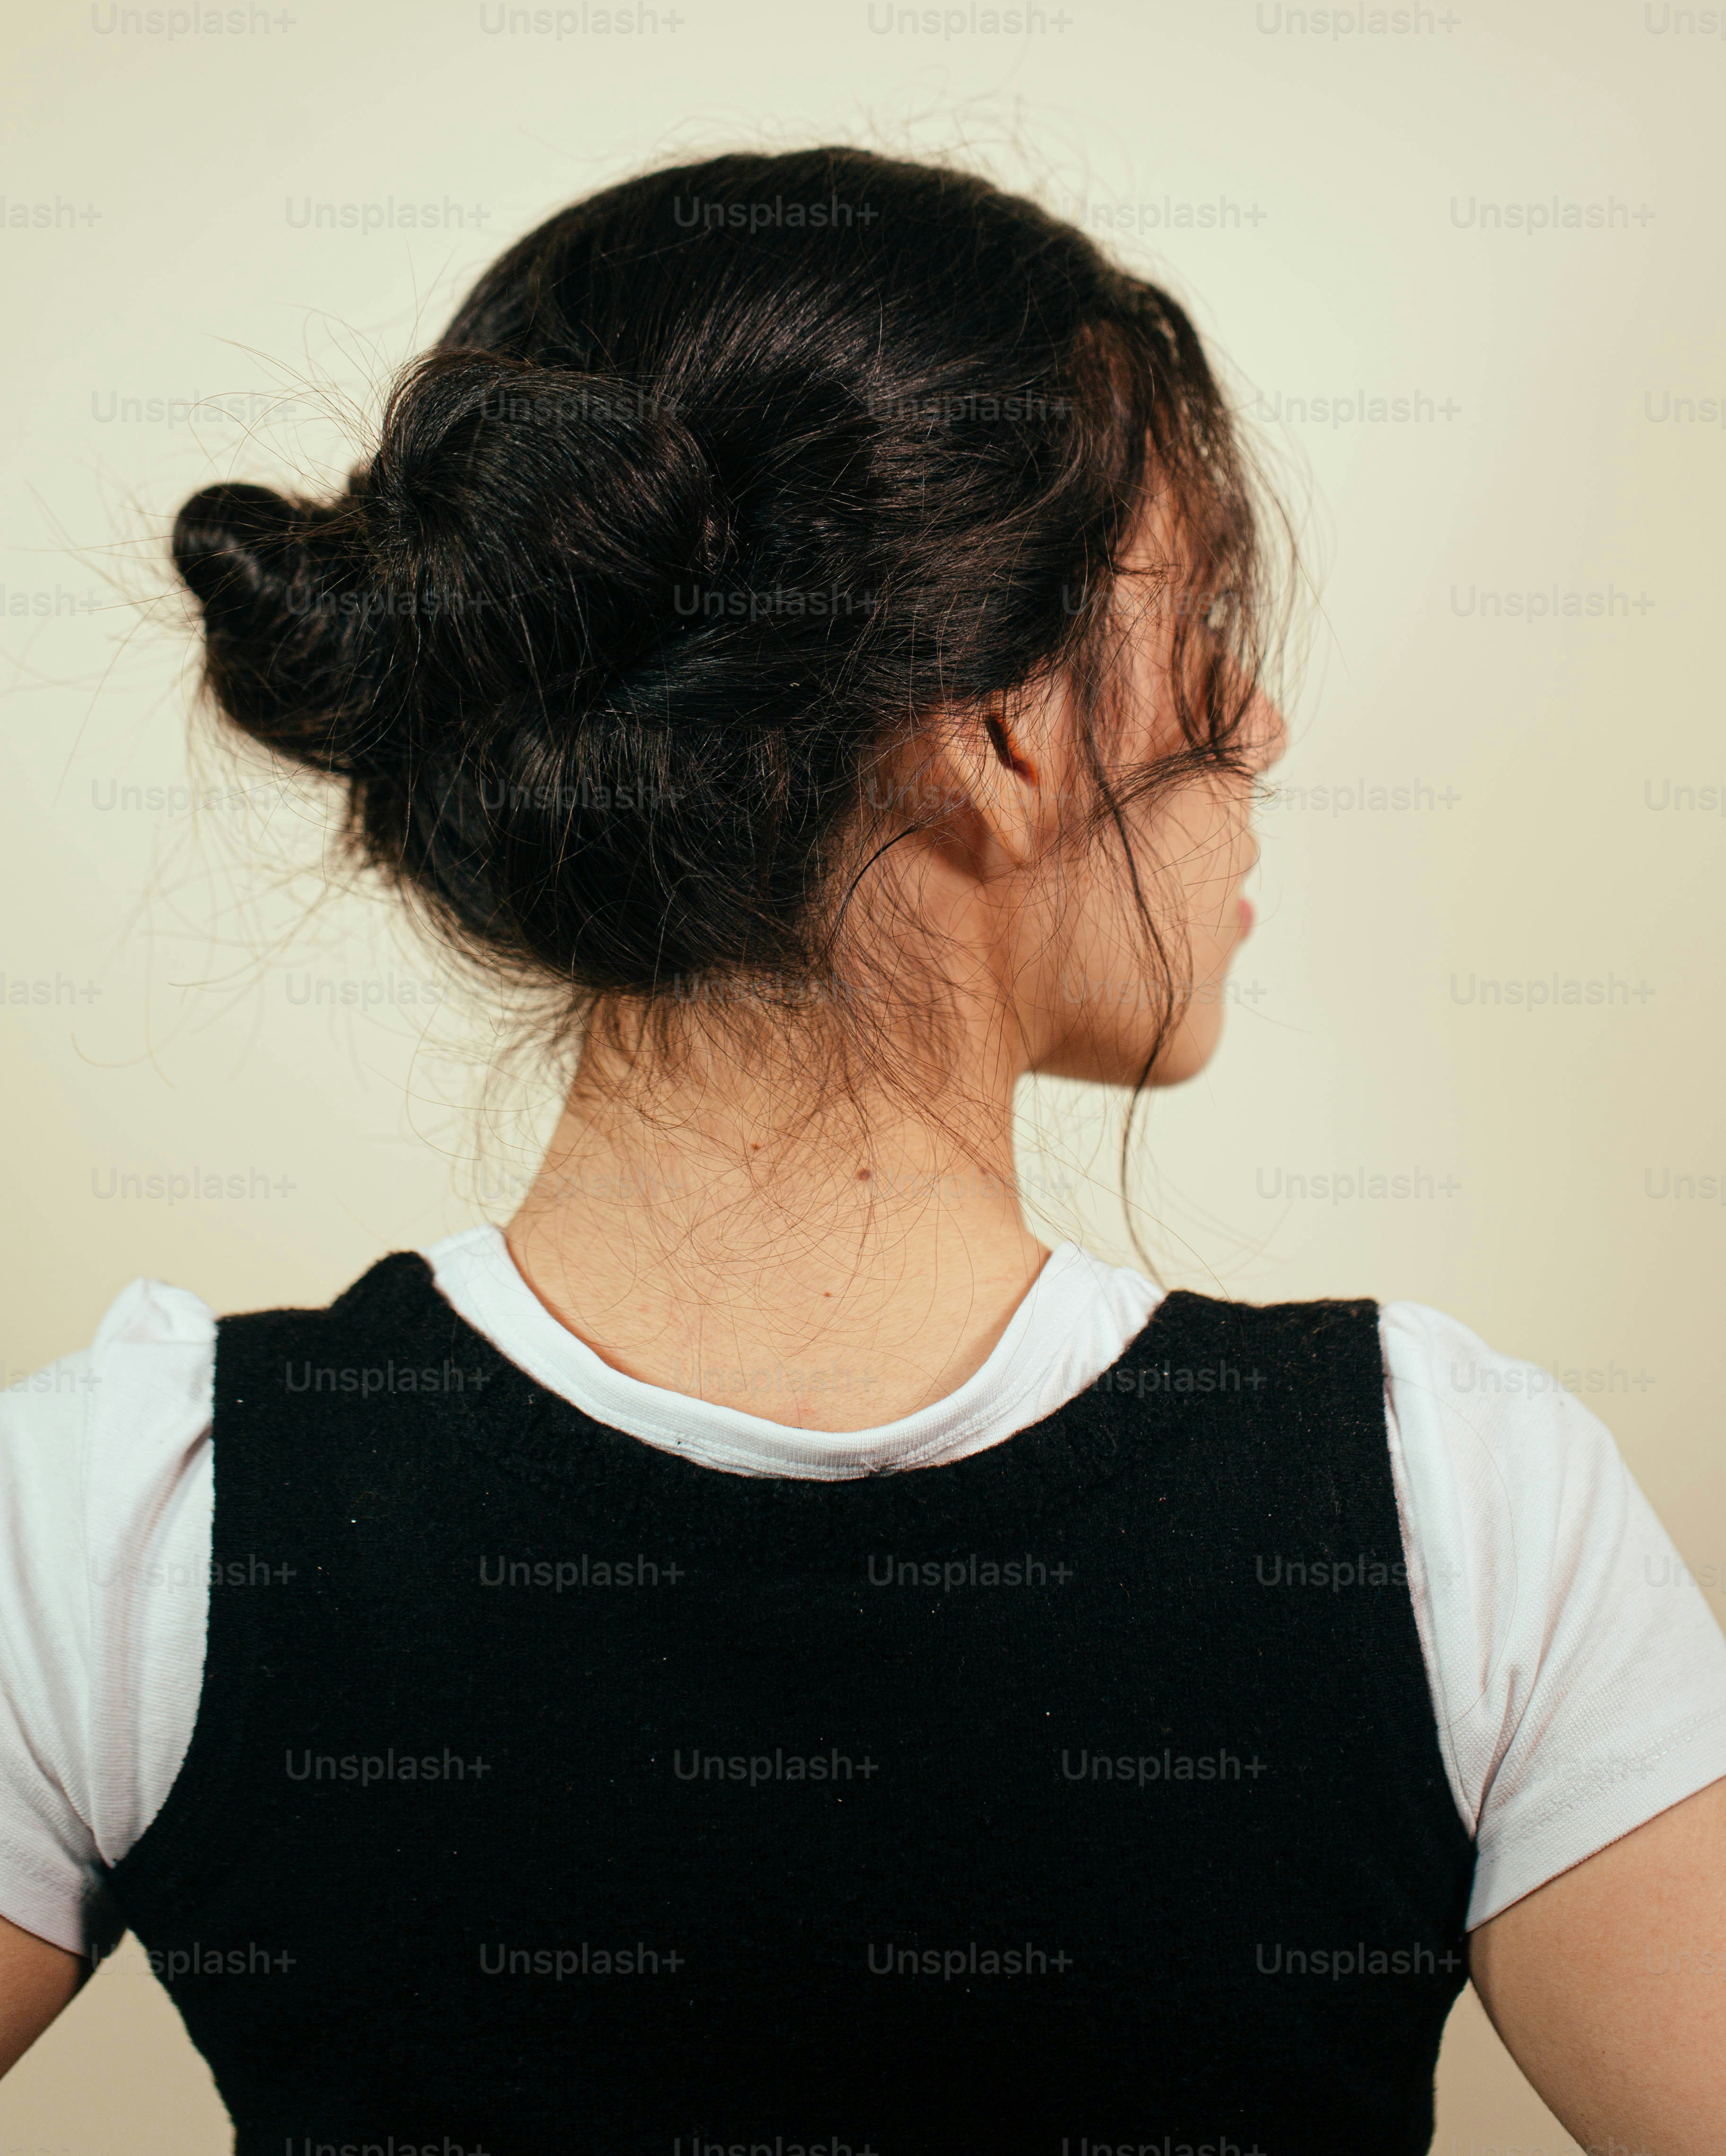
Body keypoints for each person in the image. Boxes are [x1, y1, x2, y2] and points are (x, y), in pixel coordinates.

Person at [1, 147, 1722, 2153]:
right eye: (1201, 624)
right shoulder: (1449, 1507)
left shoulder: (130, 1519)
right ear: (993, 731)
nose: (1251, 722)